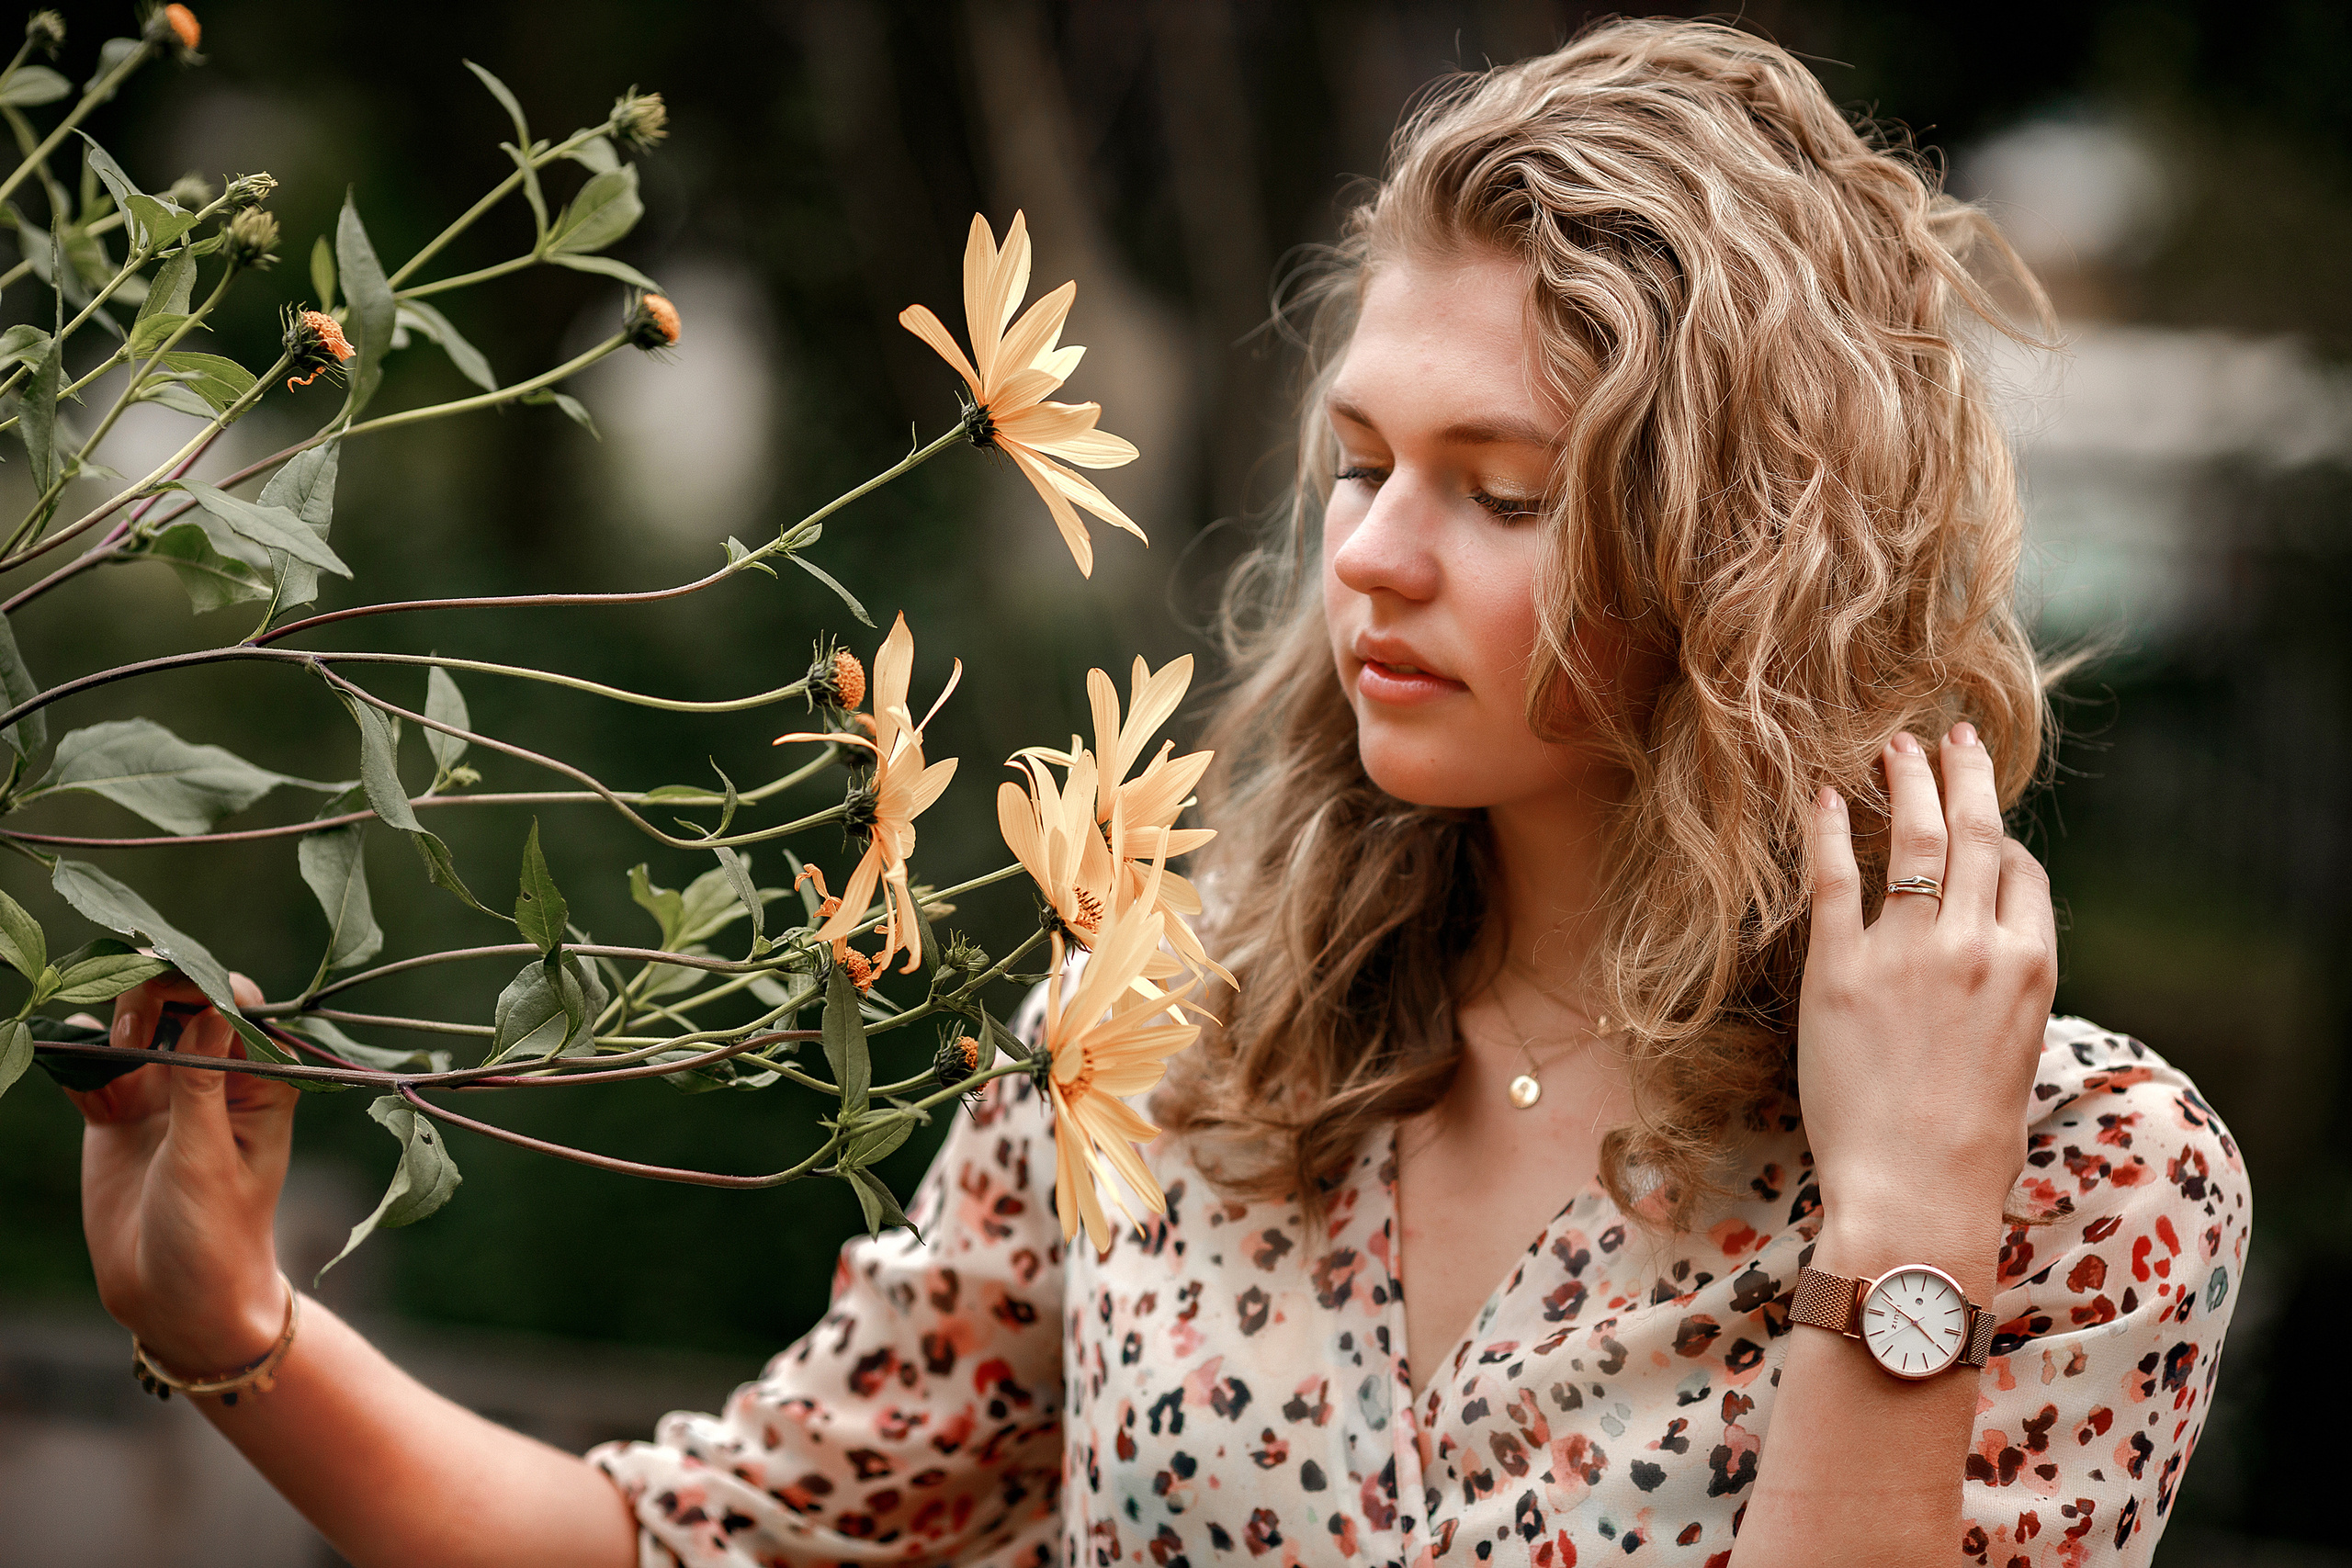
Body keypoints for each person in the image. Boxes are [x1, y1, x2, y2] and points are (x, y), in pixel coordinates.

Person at [68, 18, 2245, 1567]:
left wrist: (1896, 1237)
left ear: (1753, 564)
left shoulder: (2079, 1179)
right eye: (1362, 468)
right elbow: (706, 1538)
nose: (1373, 557)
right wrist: (235, 1326)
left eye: (1499, 492)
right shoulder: (1169, 1030)